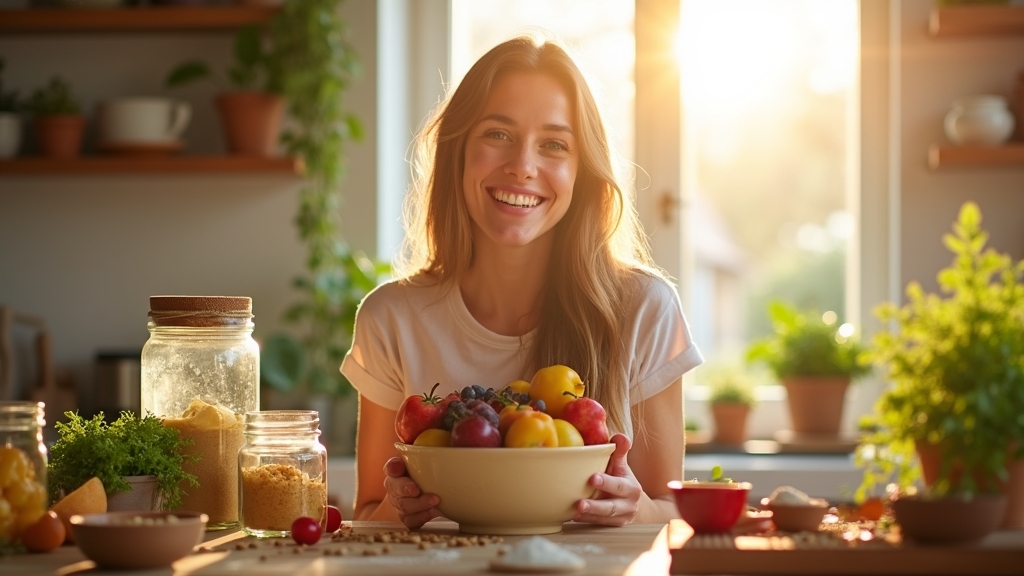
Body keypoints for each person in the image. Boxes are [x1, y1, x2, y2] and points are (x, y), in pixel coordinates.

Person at [341, 35, 703, 530]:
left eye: (553, 144)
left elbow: (672, 516)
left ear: (582, 171)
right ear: (459, 151)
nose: (523, 166)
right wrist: (398, 507)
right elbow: (367, 518)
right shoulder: (391, 318)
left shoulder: (643, 308)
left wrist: (634, 506)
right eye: (497, 134)